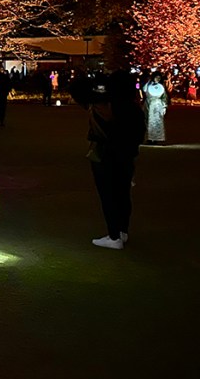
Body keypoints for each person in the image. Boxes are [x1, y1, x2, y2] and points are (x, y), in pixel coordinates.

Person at [72, 71, 145, 249]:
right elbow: (139, 135)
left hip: (104, 154)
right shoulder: (134, 108)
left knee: (108, 196)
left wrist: (97, 82)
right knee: (123, 193)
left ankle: (114, 236)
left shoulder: (101, 105)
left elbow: (76, 88)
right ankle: (122, 232)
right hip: (127, 156)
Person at [142, 72, 169, 145]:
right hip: (148, 104)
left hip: (157, 105)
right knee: (148, 122)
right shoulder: (148, 85)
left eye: (159, 78)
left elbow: (164, 97)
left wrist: (164, 107)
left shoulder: (161, 86)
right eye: (156, 77)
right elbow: (143, 89)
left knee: (156, 122)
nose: (158, 79)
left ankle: (155, 138)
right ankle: (149, 138)